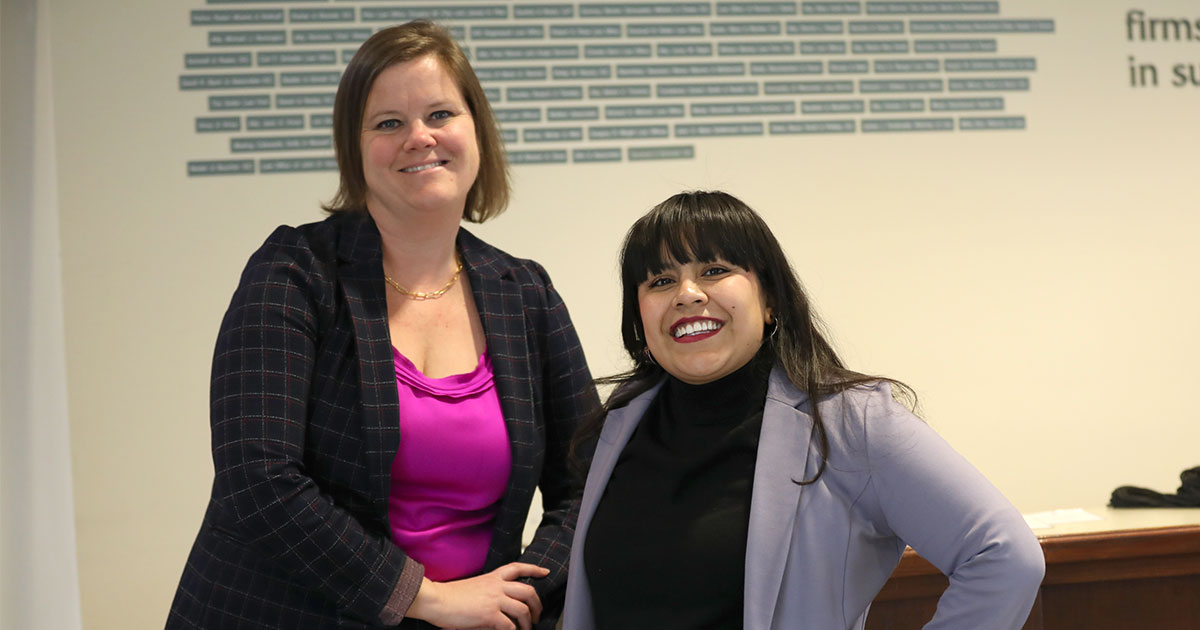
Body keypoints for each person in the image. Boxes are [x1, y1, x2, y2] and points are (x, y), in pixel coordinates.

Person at [168, 21, 597, 630]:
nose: (419, 138)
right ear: (356, 147)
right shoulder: (294, 273)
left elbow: (589, 479)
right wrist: (428, 600)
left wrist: (520, 595)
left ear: (476, 130)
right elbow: (258, 480)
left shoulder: (525, 293)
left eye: (440, 113)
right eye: (388, 122)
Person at [562, 191, 1045, 630]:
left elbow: (1003, 556)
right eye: (661, 280)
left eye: (714, 271)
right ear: (639, 316)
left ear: (769, 299)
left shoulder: (851, 423)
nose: (687, 294)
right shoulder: (619, 424)